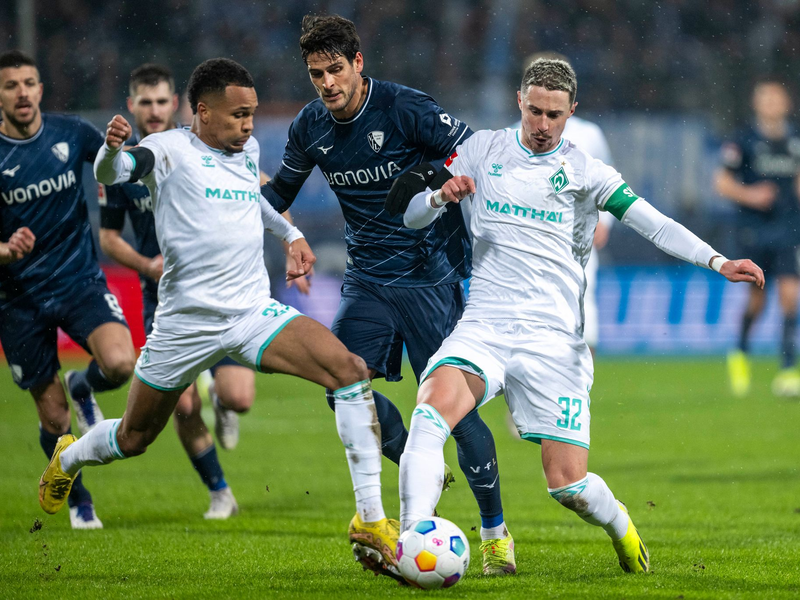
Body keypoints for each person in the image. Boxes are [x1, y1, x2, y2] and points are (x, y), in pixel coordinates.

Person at [397, 58, 764, 574]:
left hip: (553, 341)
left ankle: (620, 524)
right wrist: (438, 196)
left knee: (568, 486)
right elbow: (412, 216)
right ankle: (410, 544)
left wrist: (718, 260)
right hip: (484, 326)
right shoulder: (482, 150)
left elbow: (653, 224)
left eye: (554, 114)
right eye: (534, 111)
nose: (543, 125)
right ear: (519, 102)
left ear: (572, 111)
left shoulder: (587, 171)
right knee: (428, 417)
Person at [39, 58, 397, 578]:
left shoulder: (245, 151)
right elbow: (116, 172)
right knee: (134, 439)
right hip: (185, 323)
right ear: (203, 112)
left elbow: (254, 199)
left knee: (348, 369)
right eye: (238, 115)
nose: (249, 126)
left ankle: (371, 519)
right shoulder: (167, 150)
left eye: (252, 114)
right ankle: (69, 459)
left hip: (252, 311)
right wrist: (111, 151)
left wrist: (291, 235)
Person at [261, 14, 515, 576]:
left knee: (453, 408)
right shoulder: (310, 127)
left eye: (334, 70)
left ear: (357, 64)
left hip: (431, 277)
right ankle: (414, 464)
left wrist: (455, 192)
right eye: (315, 74)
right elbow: (277, 193)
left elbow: (475, 156)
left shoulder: (405, 108)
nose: (327, 84)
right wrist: (290, 234)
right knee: (340, 383)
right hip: (369, 279)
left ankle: (496, 530)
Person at [97, 63, 257, 518]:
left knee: (240, 397)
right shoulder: (134, 160)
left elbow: (255, 190)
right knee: (182, 404)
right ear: (131, 106)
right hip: (165, 297)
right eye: (144, 102)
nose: (153, 110)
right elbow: (109, 238)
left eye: (161, 100)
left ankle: (223, 402)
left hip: (221, 290)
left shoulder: (198, 148)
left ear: (178, 105)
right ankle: (219, 491)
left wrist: (289, 236)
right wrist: (147, 264)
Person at [0, 49, 137, 529]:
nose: (22, 92)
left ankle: (85, 384)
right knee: (55, 420)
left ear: (41, 88)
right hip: (16, 298)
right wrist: (4, 252)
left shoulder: (70, 132)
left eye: (29, 82)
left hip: (77, 279)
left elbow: (112, 169)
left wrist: (117, 145)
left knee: (121, 363)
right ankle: (80, 500)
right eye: (11, 85)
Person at [515, 52, 615, 356]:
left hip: (576, 239)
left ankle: (576, 394)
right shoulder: (509, 137)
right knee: (527, 323)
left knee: (583, 316)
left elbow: (606, 179)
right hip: (531, 243)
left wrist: (604, 221)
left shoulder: (588, 134)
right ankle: (521, 401)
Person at [715, 78, 800, 397]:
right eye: (765, 98)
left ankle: (788, 370)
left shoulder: (794, 140)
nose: (771, 103)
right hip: (754, 228)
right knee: (757, 300)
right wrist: (751, 195)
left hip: (790, 226)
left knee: (790, 296)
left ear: (786, 104)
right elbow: (721, 183)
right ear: (756, 103)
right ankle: (740, 351)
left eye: (776, 98)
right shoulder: (743, 140)